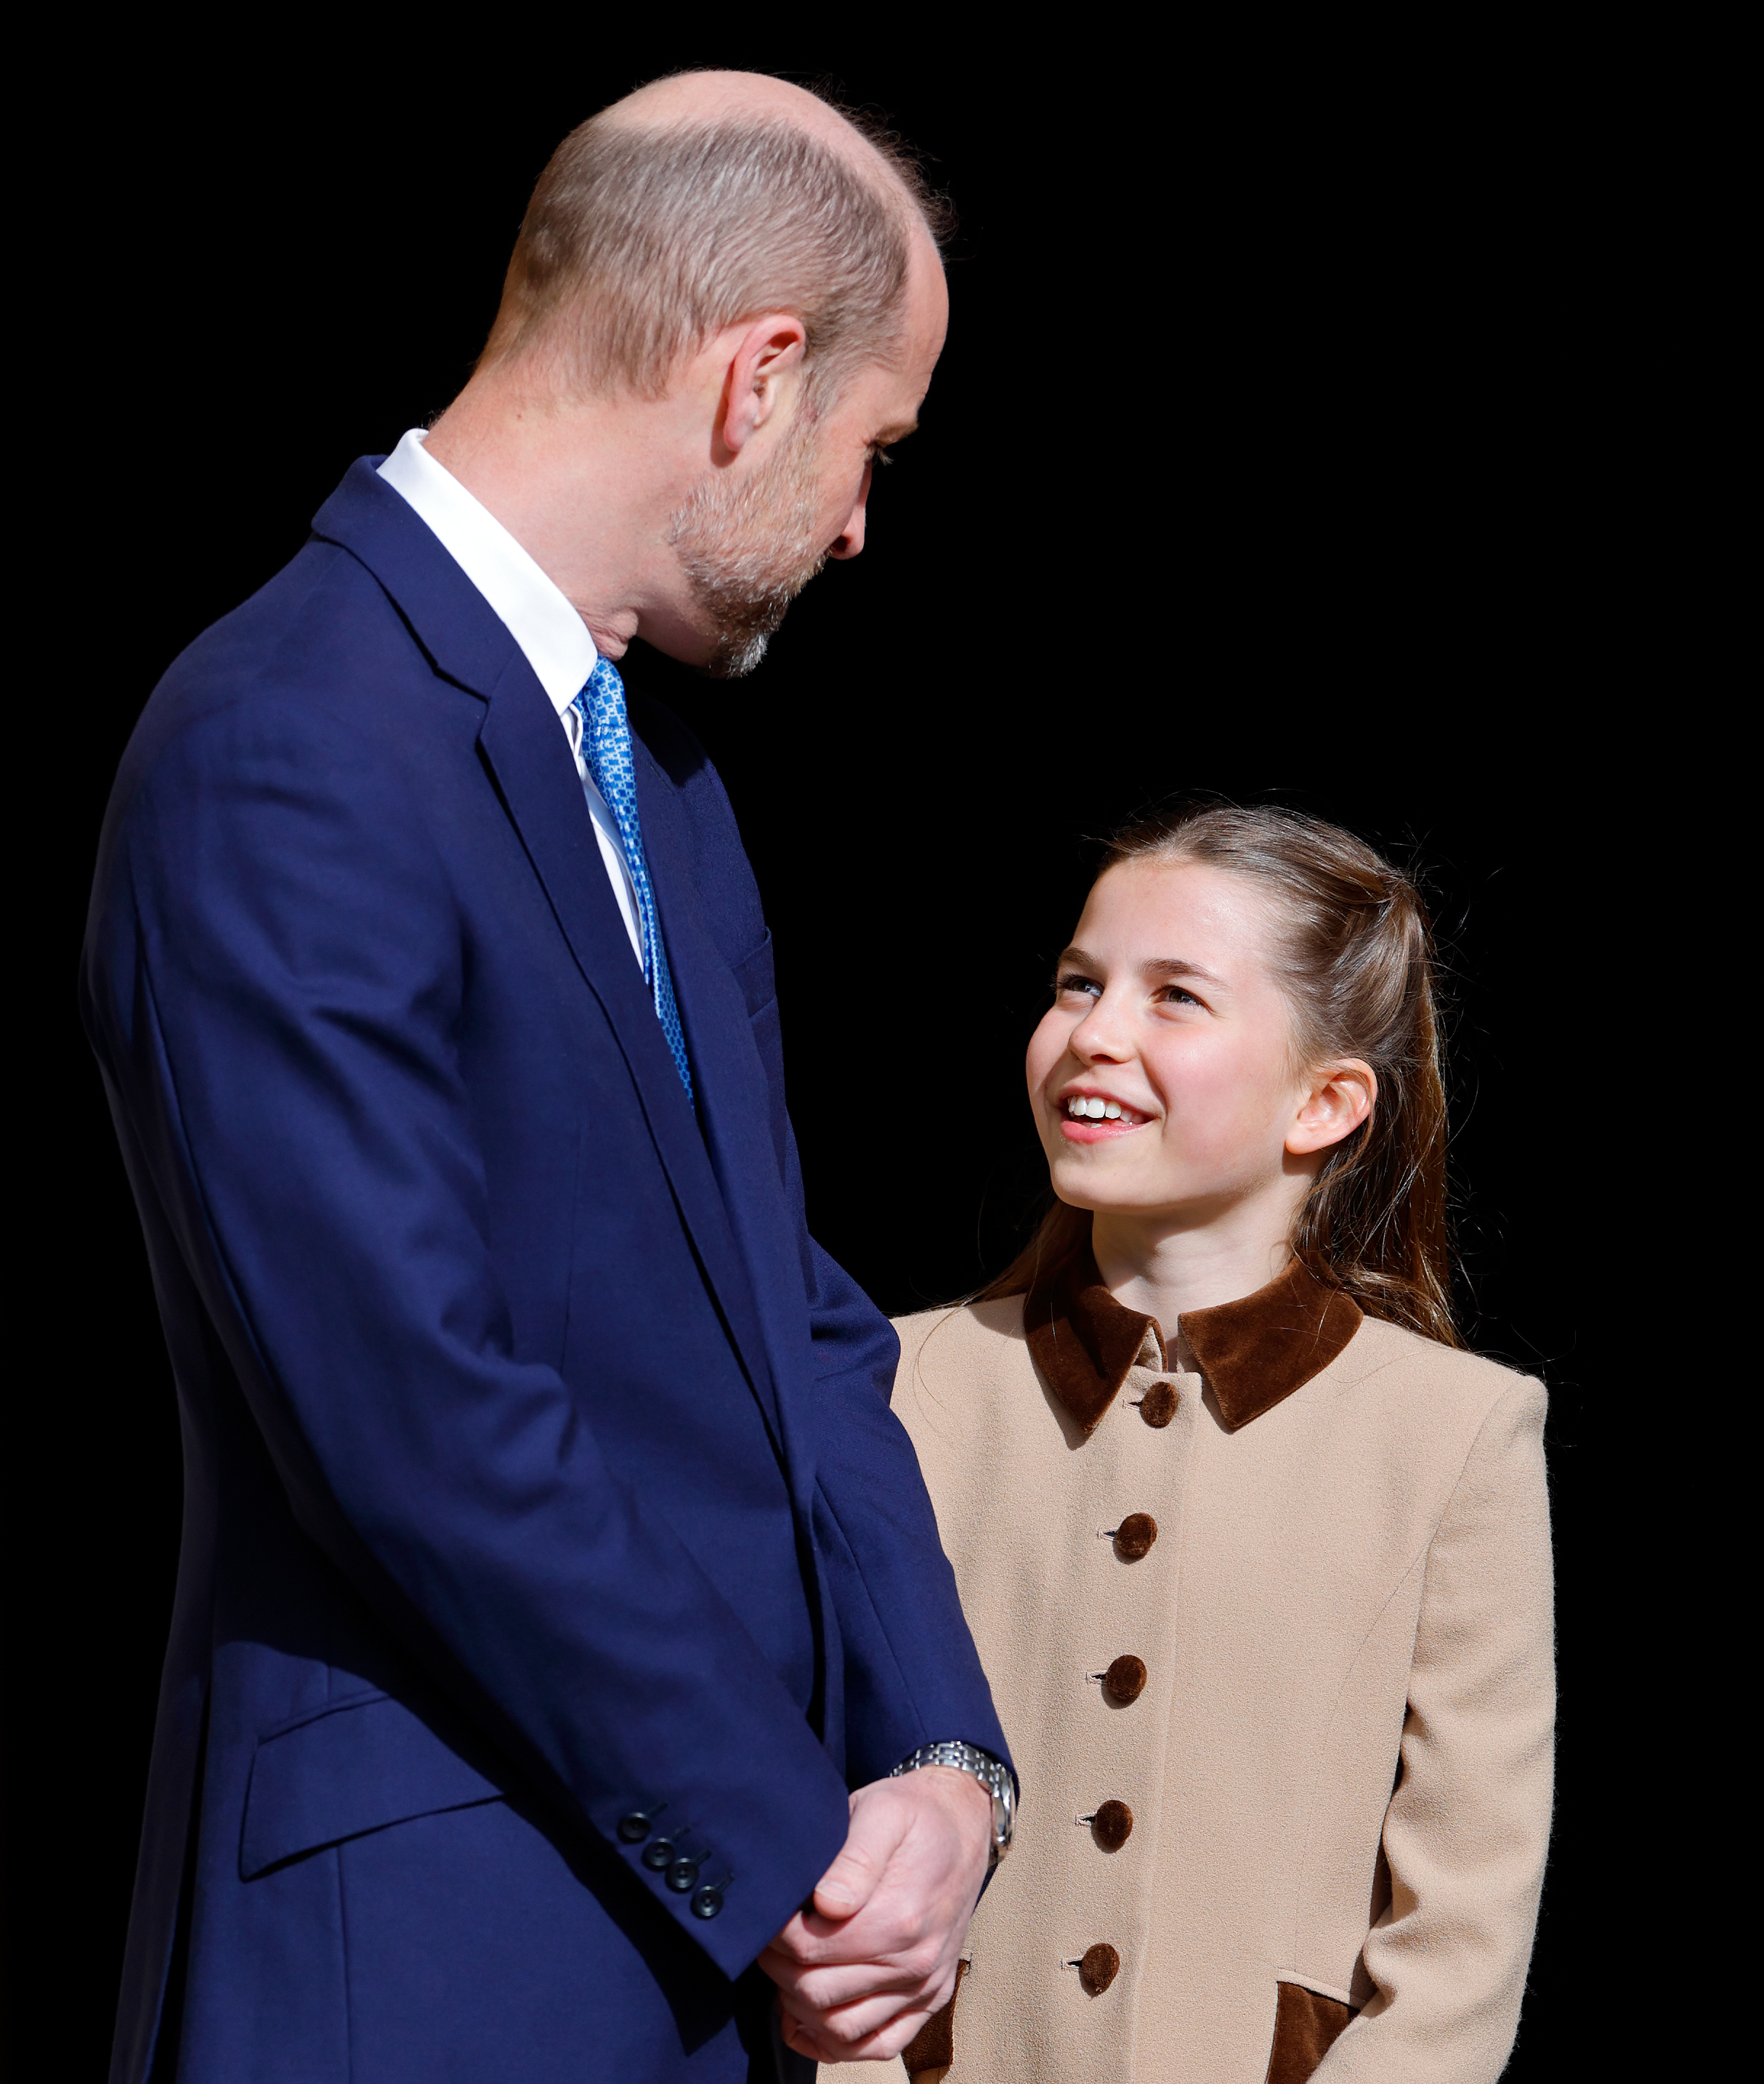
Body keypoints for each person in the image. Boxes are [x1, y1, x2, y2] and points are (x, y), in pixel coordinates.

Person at [81, 71, 1012, 2084]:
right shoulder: (290, 734)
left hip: (712, 1957)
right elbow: (411, 1402)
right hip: (432, 1961)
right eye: (873, 442)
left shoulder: (659, 787)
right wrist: (785, 1843)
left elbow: (801, 1323)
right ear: (756, 377)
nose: (861, 523)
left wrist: (937, 1772)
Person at [826, 803, 1554, 2084]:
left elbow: (1464, 1922)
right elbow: (812, 1780)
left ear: (1326, 1101)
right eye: (1078, 982)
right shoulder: (890, 1382)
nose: (1094, 1034)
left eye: (1176, 997)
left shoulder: (1452, 1433)